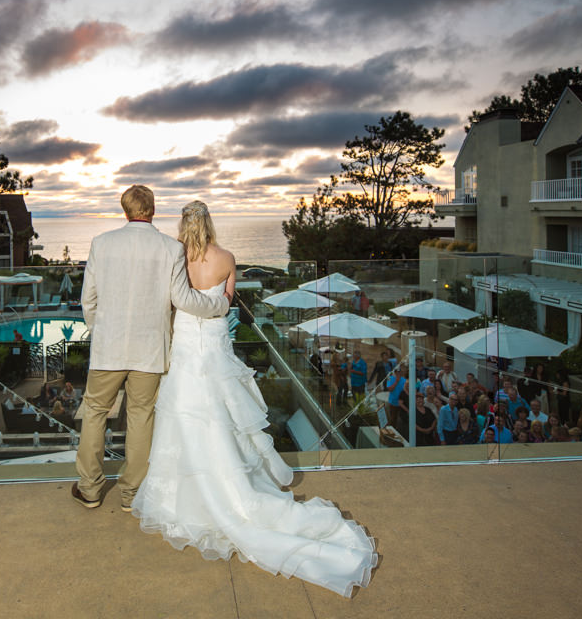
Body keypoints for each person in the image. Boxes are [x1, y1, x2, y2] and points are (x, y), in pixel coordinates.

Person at [133, 200, 376, 597]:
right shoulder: (227, 257)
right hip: (213, 347)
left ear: (182, 225)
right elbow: (227, 304)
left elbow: (168, 301)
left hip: (185, 350)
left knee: (186, 417)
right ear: (210, 224)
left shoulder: (173, 257)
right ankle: (234, 486)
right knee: (223, 418)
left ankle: (189, 495)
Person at [74, 186, 231, 512]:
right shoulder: (169, 248)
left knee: (94, 414)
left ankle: (90, 489)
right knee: (141, 417)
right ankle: (132, 495)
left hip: (108, 349)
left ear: (125, 209)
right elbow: (183, 300)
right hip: (150, 351)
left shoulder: (101, 244)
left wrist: (99, 330)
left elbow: (88, 300)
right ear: (153, 210)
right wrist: (219, 305)